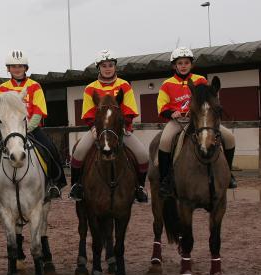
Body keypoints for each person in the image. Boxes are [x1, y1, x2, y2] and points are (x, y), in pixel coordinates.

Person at [0, 49, 67, 201]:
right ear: (8, 69)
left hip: (31, 128)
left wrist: (26, 129)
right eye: (13, 66)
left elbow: (39, 111)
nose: (17, 69)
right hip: (8, 130)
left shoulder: (35, 86)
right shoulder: (2, 88)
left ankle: (55, 182)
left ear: (26, 68)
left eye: (20, 66)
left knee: (50, 148)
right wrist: (11, 129)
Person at [69, 49, 149, 203]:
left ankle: (139, 187)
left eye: (110, 65)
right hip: (98, 131)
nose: (107, 68)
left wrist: (123, 126)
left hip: (121, 129)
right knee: (78, 152)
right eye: (104, 65)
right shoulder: (90, 88)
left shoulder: (124, 85)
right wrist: (93, 128)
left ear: (115, 67)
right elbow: (88, 113)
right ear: (98, 68)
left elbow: (130, 110)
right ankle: (76, 185)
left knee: (143, 155)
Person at [157, 47, 237, 197]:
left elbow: (209, 99)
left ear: (191, 64)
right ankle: (165, 180)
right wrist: (170, 112)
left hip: (200, 119)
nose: (183, 65)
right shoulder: (166, 84)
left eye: (186, 62)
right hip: (178, 121)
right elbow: (162, 105)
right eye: (179, 63)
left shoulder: (200, 80)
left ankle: (229, 173)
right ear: (174, 66)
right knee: (165, 141)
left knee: (229, 138)